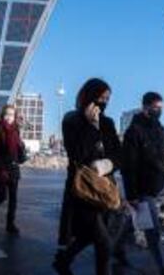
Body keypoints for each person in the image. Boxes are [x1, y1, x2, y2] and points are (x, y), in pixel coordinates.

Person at [53, 78, 122, 275]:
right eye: (100, 97)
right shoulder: (72, 119)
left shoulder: (108, 123)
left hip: (104, 188)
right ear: (89, 96)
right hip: (82, 189)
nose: (104, 102)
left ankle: (64, 260)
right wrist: (91, 127)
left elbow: (118, 154)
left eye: (107, 98)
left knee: (88, 235)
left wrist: (107, 164)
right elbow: (77, 154)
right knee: (104, 243)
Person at [121, 92, 164, 275]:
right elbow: (129, 166)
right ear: (145, 107)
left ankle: (114, 247)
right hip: (141, 187)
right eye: (155, 108)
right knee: (152, 229)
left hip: (154, 185)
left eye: (161, 108)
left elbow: (160, 159)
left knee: (132, 221)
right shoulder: (134, 132)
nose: (159, 111)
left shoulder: (160, 130)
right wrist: (131, 194)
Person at [0, 105, 25, 235]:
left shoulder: (16, 129)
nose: (9, 117)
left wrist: (21, 149)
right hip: (0, 167)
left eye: (12, 115)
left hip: (13, 166)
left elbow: (17, 148)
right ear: (2, 114)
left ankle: (10, 224)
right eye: (7, 114)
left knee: (13, 198)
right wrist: (1, 168)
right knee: (3, 196)